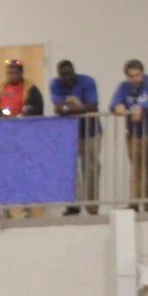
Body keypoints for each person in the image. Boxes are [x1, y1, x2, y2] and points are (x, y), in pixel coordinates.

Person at [110, 61, 148, 207]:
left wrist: (141, 107)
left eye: (137, 75)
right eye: (131, 76)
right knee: (137, 169)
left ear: (143, 73)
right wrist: (118, 106)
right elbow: (113, 104)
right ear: (127, 76)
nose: (135, 79)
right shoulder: (124, 87)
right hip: (135, 134)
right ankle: (135, 202)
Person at [50, 60, 100, 214]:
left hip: (90, 132)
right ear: (59, 75)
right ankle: (73, 204)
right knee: (69, 170)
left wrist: (71, 107)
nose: (67, 78)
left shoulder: (87, 81)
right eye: (63, 75)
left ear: (74, 71)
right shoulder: (56, 84)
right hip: (69, 134)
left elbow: (93, 105)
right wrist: (77, 107)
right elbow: (58, 108)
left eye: (70, 74)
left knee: (90, 169)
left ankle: (92, 206)